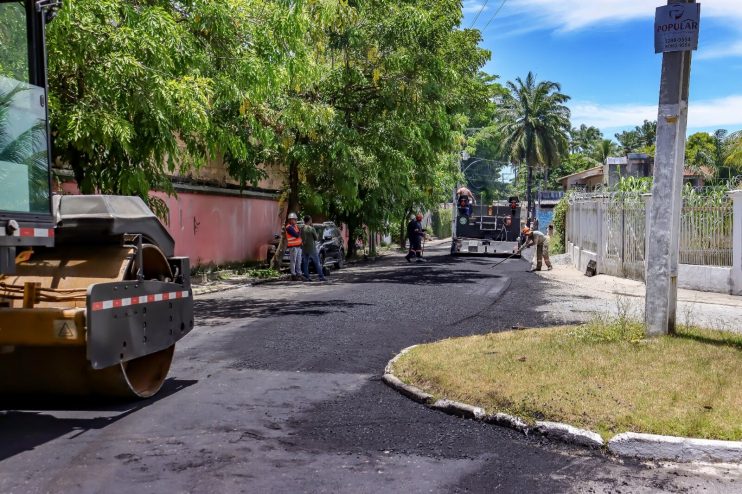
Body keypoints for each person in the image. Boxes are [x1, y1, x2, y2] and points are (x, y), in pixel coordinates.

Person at [301, 215, 326, 282]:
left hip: (304, 248)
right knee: (317, 262)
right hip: (312, 248)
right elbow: (316, 238)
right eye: (311, 220)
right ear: (309, 220)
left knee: (305, 263)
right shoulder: (311, 228)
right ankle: (321, 276)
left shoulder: (302, 228)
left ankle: (306, 277)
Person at [285, 213, 303, 281]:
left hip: (298, 246)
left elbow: (299, 234)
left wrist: (299, 232)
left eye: (296, 219)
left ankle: (299, 274)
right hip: (293, 247)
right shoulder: (288, 227)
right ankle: (293, 274)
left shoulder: (295, 226)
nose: (295, 221)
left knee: (299, 261)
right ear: (290, 220)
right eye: (294, 219)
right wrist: (299, 232)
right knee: (293, 261)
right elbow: (296, 235)